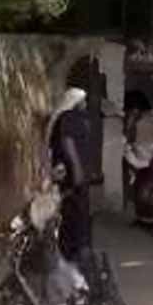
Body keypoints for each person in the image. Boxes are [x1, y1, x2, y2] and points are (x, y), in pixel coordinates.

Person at [46, 88, 95, 270]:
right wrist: (77, 170)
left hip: (72, 174)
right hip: (73, 175)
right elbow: (68, 143)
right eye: (83, 100)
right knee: (76, 212)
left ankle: (72, 252)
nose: (85, 104)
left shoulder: (66, 118)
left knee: (73, 212)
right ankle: (76, 253)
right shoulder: (69, 117)